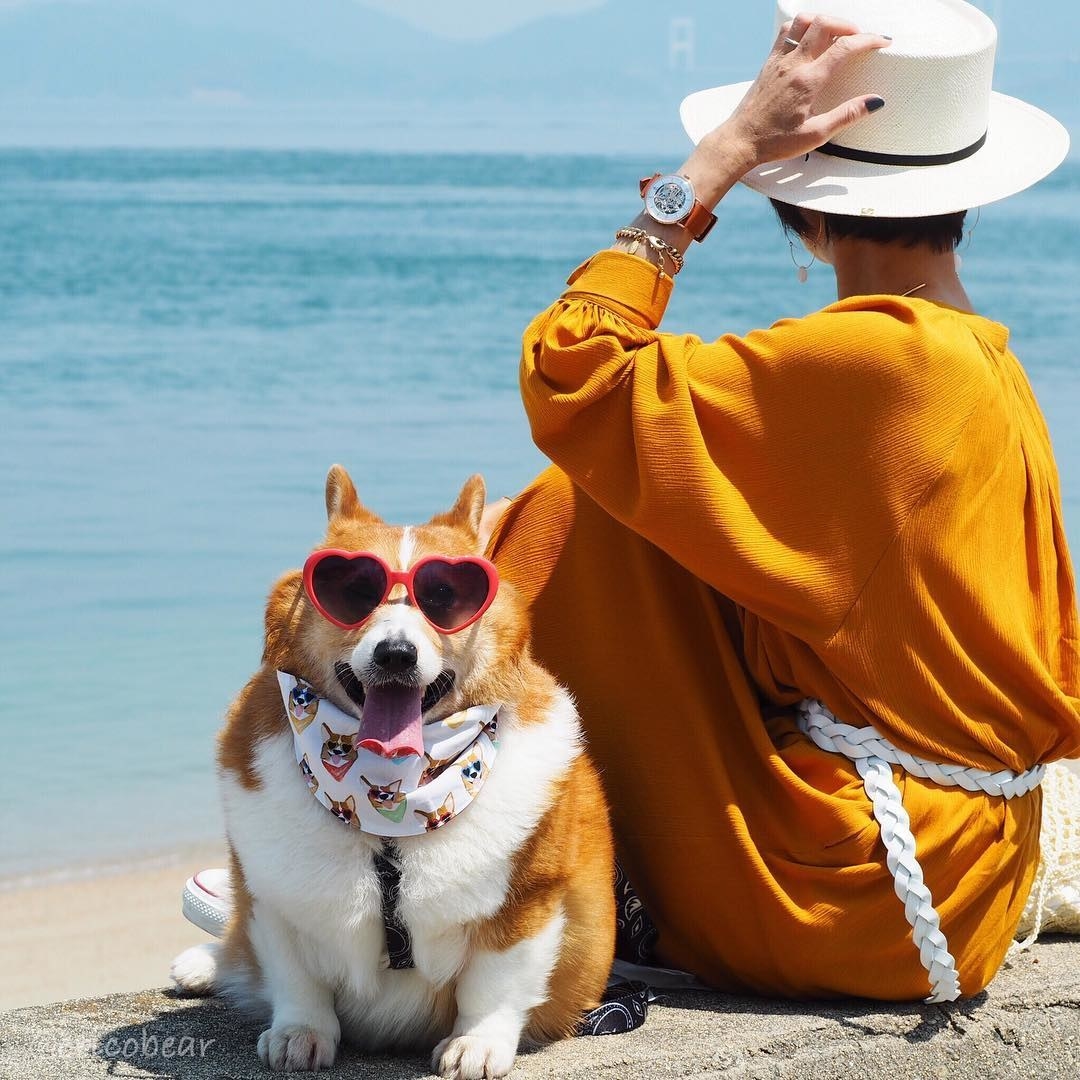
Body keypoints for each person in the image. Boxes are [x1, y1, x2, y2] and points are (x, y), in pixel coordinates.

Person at [485, 0, 1080, 1002]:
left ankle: (422, 833)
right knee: (659, 500)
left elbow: (571, 369)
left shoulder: (880, 361)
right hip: (965, 870)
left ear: (799, 205)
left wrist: (709, 168)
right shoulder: (979, 359)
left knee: (572, 509)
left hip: (857, 887)